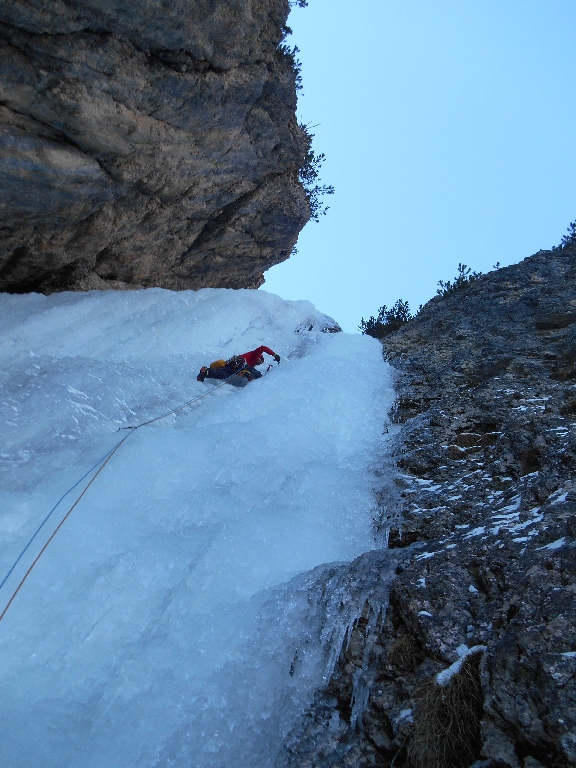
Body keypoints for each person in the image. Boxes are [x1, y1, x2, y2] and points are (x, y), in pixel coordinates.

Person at [197, 346, 280, 383]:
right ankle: (246, 373)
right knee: (257, 374)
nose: (259, 363)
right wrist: (274, 354)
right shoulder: (254, 355)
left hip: (231, 365)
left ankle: (206, 372)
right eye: (260, 361)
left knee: (223, 374)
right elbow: (263, 348)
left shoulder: (250, 359)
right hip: (241, 365)